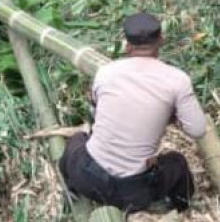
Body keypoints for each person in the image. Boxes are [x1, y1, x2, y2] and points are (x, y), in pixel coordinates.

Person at [60, 12, 205, 213]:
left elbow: (98, 107)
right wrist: (170, 116)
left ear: (127, 45)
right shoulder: (177, 81)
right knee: (176, 163)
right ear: (161, 40)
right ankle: (179, 208)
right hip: (133, 193)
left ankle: (71, 188)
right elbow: (198, 129)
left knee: (77, 139)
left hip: (87, 178)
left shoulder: (106, 72)